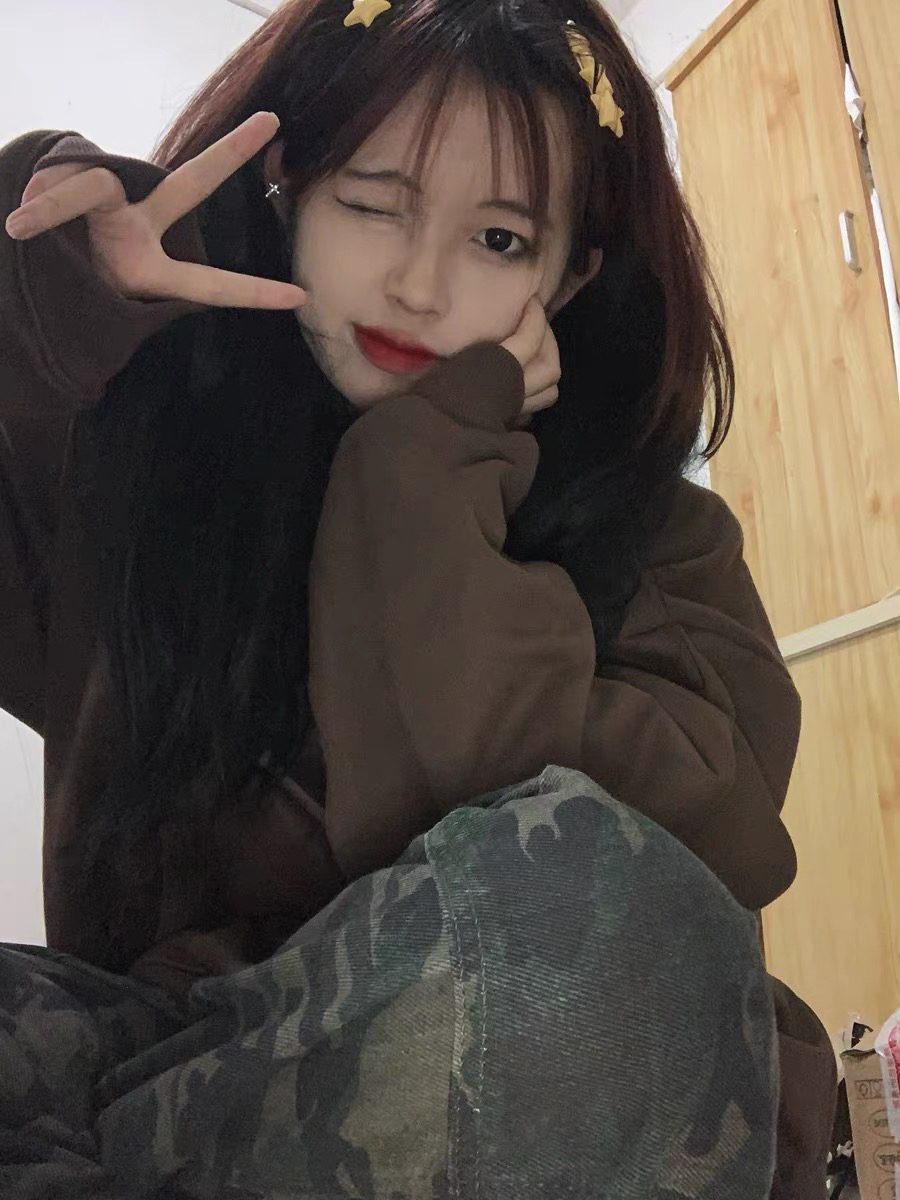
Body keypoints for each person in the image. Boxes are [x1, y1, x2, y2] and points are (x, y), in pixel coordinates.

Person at [0, 0, 835, 1196]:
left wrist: (427, 467)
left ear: (570, 275)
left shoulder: (659, 541)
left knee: (598, 910)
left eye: (497, 239)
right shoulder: (158, 474)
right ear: (289, 189)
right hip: (162, 1087)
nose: (419, 284)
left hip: (514, 1082)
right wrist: (51, 307)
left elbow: (620, 899)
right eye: (374, 204)